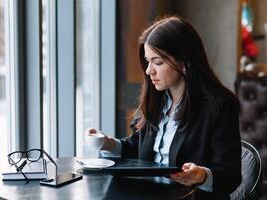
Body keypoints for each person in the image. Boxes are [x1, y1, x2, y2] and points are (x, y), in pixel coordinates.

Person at [86, 16, 241, 199]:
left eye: (157, 62)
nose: (149, 70)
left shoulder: (219, 106)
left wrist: (201, 175)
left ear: (185, 62)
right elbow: (139, 148)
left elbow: (230, 176)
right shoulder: (157, 98)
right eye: (147, 61)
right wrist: (108, 143)